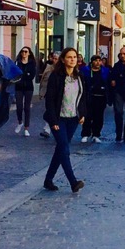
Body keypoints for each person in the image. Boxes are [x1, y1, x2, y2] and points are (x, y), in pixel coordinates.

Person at [42, 47, 87, 193]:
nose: (73, 59)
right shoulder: (56, 76)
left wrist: (82, 114)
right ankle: (73, 182)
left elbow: (83, 97)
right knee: (64, 149)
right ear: (63, 59)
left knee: (60, 149)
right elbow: (50, 99)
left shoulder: (79, 77)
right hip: (58, 118)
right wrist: (53, 121)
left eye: (74, 57)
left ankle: (48, 180)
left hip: (73, 118)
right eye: (69, 57)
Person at [82, 55, 110, 143]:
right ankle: (85, 134)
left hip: (101, 97)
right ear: (92, 62)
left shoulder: (105, 71)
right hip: (89, 96)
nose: (98, 62)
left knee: (99, 117)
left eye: (99, 60)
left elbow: (108, 83)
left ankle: (96, 134)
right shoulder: (86, 71)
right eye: (96, 60)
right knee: (88, 116)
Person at [12, 46, 37, 137]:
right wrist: (25, 74)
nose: (24, 53)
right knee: (19, 107)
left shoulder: (32, 63)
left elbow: (32, 76)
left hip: (28, 88)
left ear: (29, 53)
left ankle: (26, 128)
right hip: (18, 87)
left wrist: (24, 75)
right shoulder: (17, 62)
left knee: (27, 108)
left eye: (26, 52)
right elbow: (15, 73)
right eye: (22, 51)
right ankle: (20, 122)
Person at [37, 51, 60, 139]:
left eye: (57, 59)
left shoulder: (64, 69)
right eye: (53, 58)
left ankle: (55, 129)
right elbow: (43, 80)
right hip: (49, 93)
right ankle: (47, 129)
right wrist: (41, 92)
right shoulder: (48, 68)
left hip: (60, 95)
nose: (55, 61)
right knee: (49, 111)